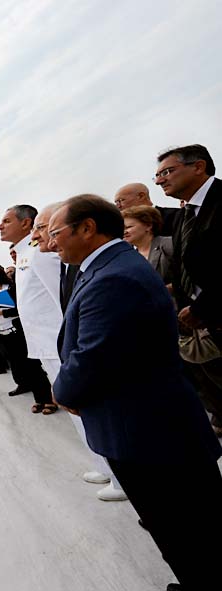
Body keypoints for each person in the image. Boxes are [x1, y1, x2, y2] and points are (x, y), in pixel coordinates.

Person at [49, 194, 222, 590]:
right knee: (188, 532)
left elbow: (93, 356)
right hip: (150, 427)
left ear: (88, 228)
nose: (53, 241)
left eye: (57, 232)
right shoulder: (109, 267)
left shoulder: (113, 278)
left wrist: (63, 391)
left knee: (188, 532)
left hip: (148, 434)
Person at [33, 202, 125, 500]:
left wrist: (65, 388)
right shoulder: (73, 264)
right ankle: (109, 467)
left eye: (49, 229)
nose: (47, 238)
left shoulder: (108, 272)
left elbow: (91, 337)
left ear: (86, 228)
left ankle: (119, 475)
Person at [155, 144, 222, 438]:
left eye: (167, 172)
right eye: (157, 175)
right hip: (205, 325)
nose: (160, 180)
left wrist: (201, 308)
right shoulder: (187, 215)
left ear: (199, 166)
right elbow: (185, 269)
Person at [0, 205, 58, 397]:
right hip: (44, 343)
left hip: (57, 341)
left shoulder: (38, 252)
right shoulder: (25, 252)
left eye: (7, 221)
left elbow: (62, 295)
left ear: (25, 223)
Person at [0, 265, 56, 414]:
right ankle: (39, 399)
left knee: (33, 366)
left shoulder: (10, 288)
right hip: (4, 334)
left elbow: (20, 309)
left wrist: (0, 312)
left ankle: (48, 399)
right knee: (22, 367)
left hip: (18, 332)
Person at [121, 205, 173, 286]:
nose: (124, 232)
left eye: (128, 227)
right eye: (122, 229)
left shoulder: (168, 244)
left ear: (148, 226)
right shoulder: (128, 256)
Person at [113, 182, 178, 237]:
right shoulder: (121, 229)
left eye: (121, 200)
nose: (118, 206)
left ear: (141, 196)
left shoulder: (175, 215)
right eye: (116, 203)